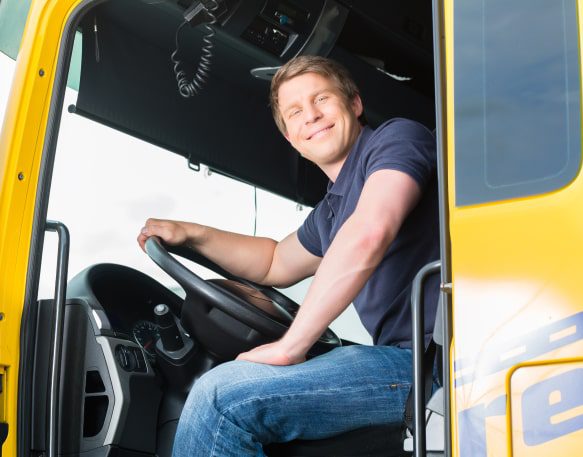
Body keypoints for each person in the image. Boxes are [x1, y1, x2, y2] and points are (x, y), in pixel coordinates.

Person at [138, 55, 439, 456]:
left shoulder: (396, 140)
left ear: (354, 104)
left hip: (435, 364)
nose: (311, 116)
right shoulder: (331, 210)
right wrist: (193, 234)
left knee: (220, 400)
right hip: (403, 362)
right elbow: (274, 262)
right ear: (290, 137)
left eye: (322, 99)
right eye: (295, 112)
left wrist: (291, 346)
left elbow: (370, 231)